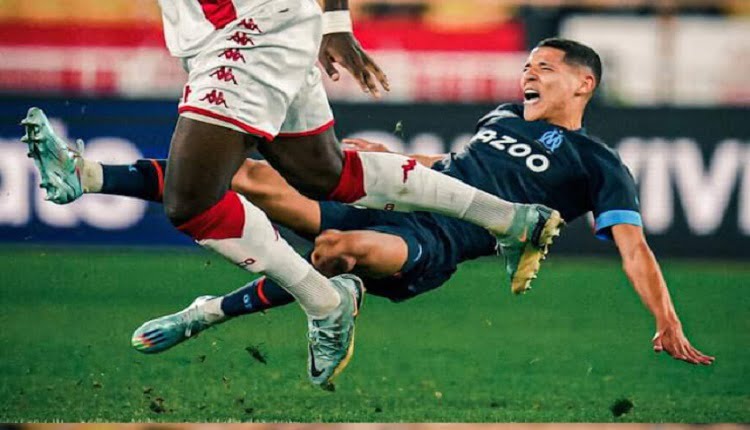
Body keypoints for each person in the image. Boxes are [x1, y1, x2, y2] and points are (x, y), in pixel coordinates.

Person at [24, 38, 713, 367]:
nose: (528, 72)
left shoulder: (599, 164)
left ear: (583, 85)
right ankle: (89, 175)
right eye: (526, 63)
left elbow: (634, 247)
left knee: (335, 250)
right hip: (397, 206)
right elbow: (453, 169)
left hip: (437, 244)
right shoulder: (503, 116)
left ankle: (209, 312)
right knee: (251, 176)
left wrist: (666, 319)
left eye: (546, 67)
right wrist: (380, 163)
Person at [20, 0, 561, 386]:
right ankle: (510, 219)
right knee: (324, 174)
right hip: (227, 33)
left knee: (192, 201)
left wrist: (336, 20)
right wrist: (330, 22)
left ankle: (325, 300)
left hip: (252, 29)